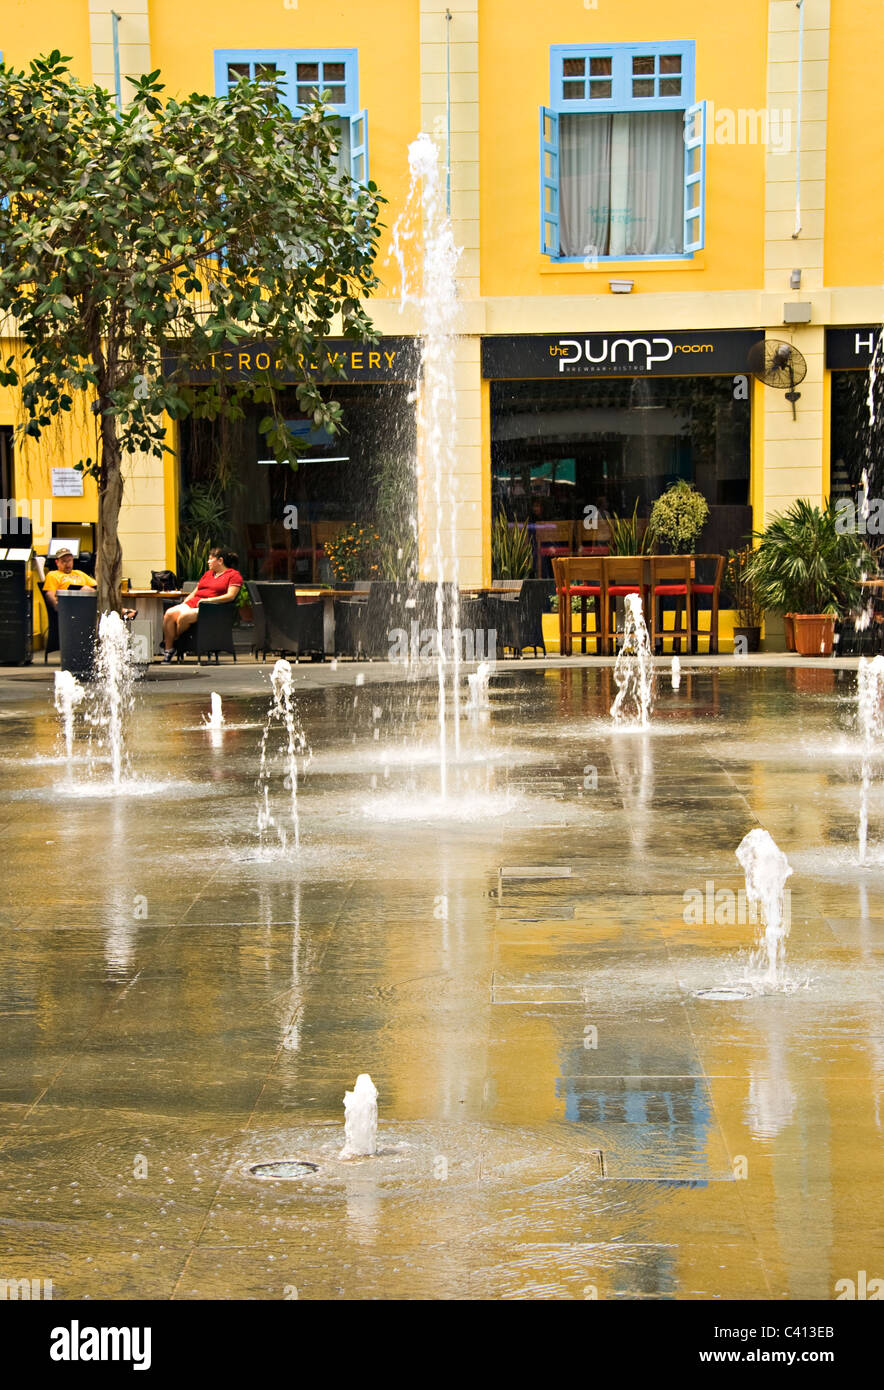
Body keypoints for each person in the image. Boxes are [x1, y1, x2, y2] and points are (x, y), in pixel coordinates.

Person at [160, 546, 243, 661]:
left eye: (210, 559)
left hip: (211, 608)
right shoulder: (208, 574)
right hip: (194, 604)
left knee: (184, 617)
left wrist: (209, 600)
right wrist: (185, 603)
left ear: (220, 561)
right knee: (169, 613)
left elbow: (231, 596)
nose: (208, 562)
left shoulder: (233, 575)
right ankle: (169, 650)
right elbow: (196, 591)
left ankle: (173, 640)